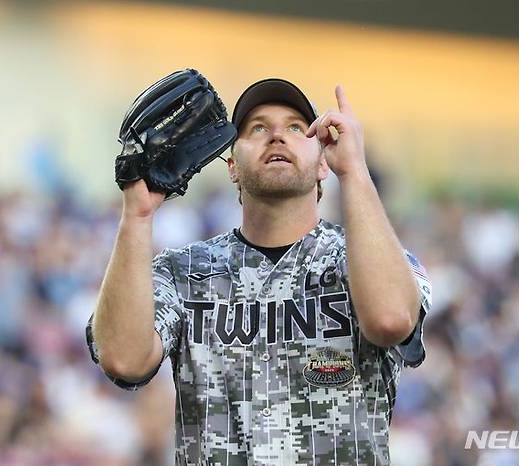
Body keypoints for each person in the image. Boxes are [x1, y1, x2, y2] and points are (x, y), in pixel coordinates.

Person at [86, 78, 432, 465]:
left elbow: (390, 320)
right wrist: (137, 214)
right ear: (232, 165)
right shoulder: (183, 273)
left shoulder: (369, 260)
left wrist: (354, 171)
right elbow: (123, 360)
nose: (277, 136)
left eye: (296, 128)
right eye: (258, 128)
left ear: (323, 164)